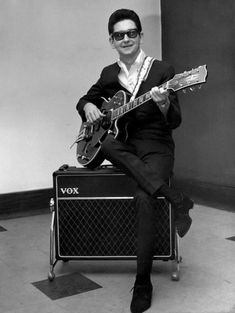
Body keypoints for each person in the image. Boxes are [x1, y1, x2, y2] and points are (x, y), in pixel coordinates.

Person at [76, 8, 194, 313]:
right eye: (119, 35)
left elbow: (175, 121)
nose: (126, 38)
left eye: (131, 33)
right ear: (112, 41)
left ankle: (142, 282)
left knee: (143, 197)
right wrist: (88, 105)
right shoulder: (107, 75)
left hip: (156, 146)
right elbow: (83, 101)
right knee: (106, 142)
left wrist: (165, 102)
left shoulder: (163, 71)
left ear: (140, 35)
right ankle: (174, 197)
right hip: (124, 148)